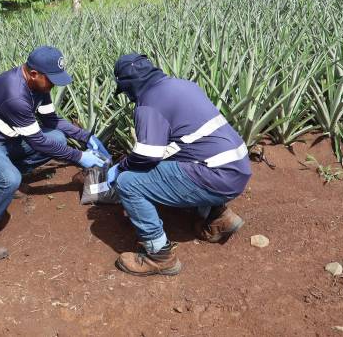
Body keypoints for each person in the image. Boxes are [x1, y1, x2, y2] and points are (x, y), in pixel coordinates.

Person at [0, 46, 110, 259]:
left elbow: (52, 121)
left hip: (6, 139)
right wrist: (80, 157)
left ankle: (6, 179)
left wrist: (86, 136)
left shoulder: (39, 87)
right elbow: (38, 142)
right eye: (52, 79)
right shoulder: (15, 95)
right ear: (34, 73)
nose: (54, 85)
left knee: (56, 137)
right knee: (9, 178)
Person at [106, 53, 251, 276]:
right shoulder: (183, 85)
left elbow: (147, 156)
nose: (127, 97)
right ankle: (219, 217)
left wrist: (121, 166)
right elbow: (183, 141)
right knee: (180, 158)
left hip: (215, 176)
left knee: (129, 183)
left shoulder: (148, 104)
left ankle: (159, 256)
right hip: (238, 166)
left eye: (124, 91)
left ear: (128, 85)